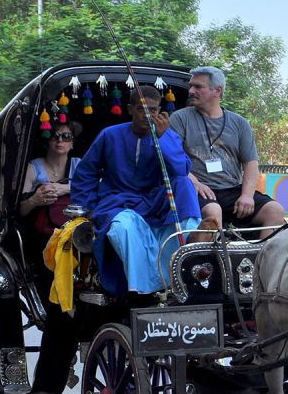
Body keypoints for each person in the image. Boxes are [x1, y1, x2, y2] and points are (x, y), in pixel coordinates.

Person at [71, 85, 201, 298]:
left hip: (154, 202)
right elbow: (85, 174)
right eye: (142, 109)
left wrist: (162, 138)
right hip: (117, 201)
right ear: (130, 109)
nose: (148, 115)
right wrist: (88, 207)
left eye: (153, 110)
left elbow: (181, 170)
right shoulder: (110, 135)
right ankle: (142, 290)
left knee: (184, 183)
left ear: (160, 111)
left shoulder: (167, 136)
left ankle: (185, 266)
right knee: (124, 227)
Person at [169, 66, 285, 238]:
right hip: (197, 190)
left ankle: (260, 262)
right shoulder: (179, 118)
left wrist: (247, 196)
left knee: (275, 210)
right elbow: (173, 158)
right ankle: (211, 265)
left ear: (217, 90)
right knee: (213, 211)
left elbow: (250, 164)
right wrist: (195, 183)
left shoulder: (239, 123)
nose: (191, 90)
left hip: (232, 190)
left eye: (198, 86)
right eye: (191, 86)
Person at [18, 121, 83, 394]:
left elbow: (97, 191)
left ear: (72, 142)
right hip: (43, 240)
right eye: (55, 136)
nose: (60, 141)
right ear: (48, 140)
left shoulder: (80, 166)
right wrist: (36, 199)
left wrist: (64, 190)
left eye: (65, 137)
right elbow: (19, 208)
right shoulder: (34, 168)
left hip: (78, 235)